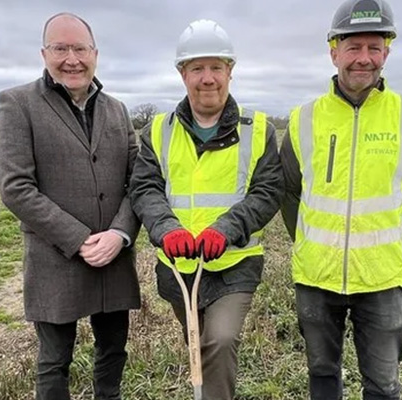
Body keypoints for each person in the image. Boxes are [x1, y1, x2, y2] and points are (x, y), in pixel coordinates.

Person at [279, 0, 402, 399]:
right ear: (334, 51)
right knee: (322, 374)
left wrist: (389, 248)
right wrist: (313, 244)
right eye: (353, 47)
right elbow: (289, 195)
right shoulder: (303, 119)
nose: (364, 59)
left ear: (387, 52)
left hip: (383, 279)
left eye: (374, 48)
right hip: (316, 276)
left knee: (383, 385)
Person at [130, 19, 282, 400]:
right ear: (183, 74)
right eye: (197, 68)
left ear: (230, 71)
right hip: (177, 267)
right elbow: (145, 188)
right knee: (197, 342)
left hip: (234, 264)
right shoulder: (158, 130)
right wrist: (166, 230)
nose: (208, 78)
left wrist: (226, 229)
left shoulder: (258, 129)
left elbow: (267, 191)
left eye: (216, 67)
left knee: (220, 338)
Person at [0, 12, 140, 400]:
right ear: (44, 53)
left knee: (112, 351)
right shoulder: (18, 103)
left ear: (95, 53)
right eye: (60, 48)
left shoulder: (118, 110)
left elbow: (138, 180)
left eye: (80, 48)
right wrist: (79, 240)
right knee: (54, 360)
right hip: (55, 257)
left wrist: (120, 235)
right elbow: (16, 187)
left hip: (114, 257)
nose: (71, 58)